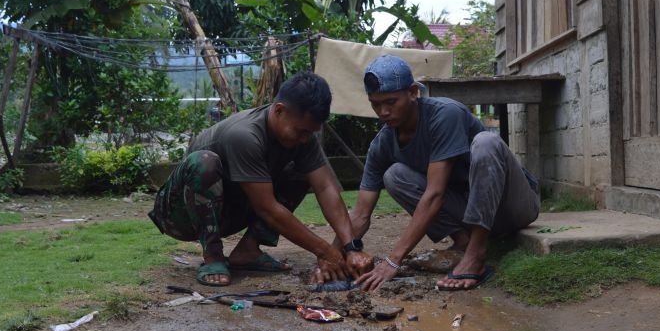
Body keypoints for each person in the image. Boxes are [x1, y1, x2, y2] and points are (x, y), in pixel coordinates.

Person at [149, 71, 373, 286]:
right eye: (301, 131)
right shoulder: (245, 135)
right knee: (204, 162)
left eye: (310, 132)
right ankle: (213, 256)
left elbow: (325, 188)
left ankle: (247, 251)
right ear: (279, 111)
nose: (305, 139)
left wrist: (351, 247)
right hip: (180, 216)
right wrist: (325, 252)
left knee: (300, 174)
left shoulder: (304, 137)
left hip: (228, 210)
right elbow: (267, 208)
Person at [351, 56, 539, 291]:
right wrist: (336, 254)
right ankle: (463, 242)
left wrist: (393, 259)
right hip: (468, 210)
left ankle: (476, 253)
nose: (384, 112)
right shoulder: (383, 144)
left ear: (412, 93)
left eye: (391, 102)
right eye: (376, 104)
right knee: (394, 176)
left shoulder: (445, 114)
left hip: (512, 207)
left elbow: (435, 195)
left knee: (486, 142)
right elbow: (360, 213)